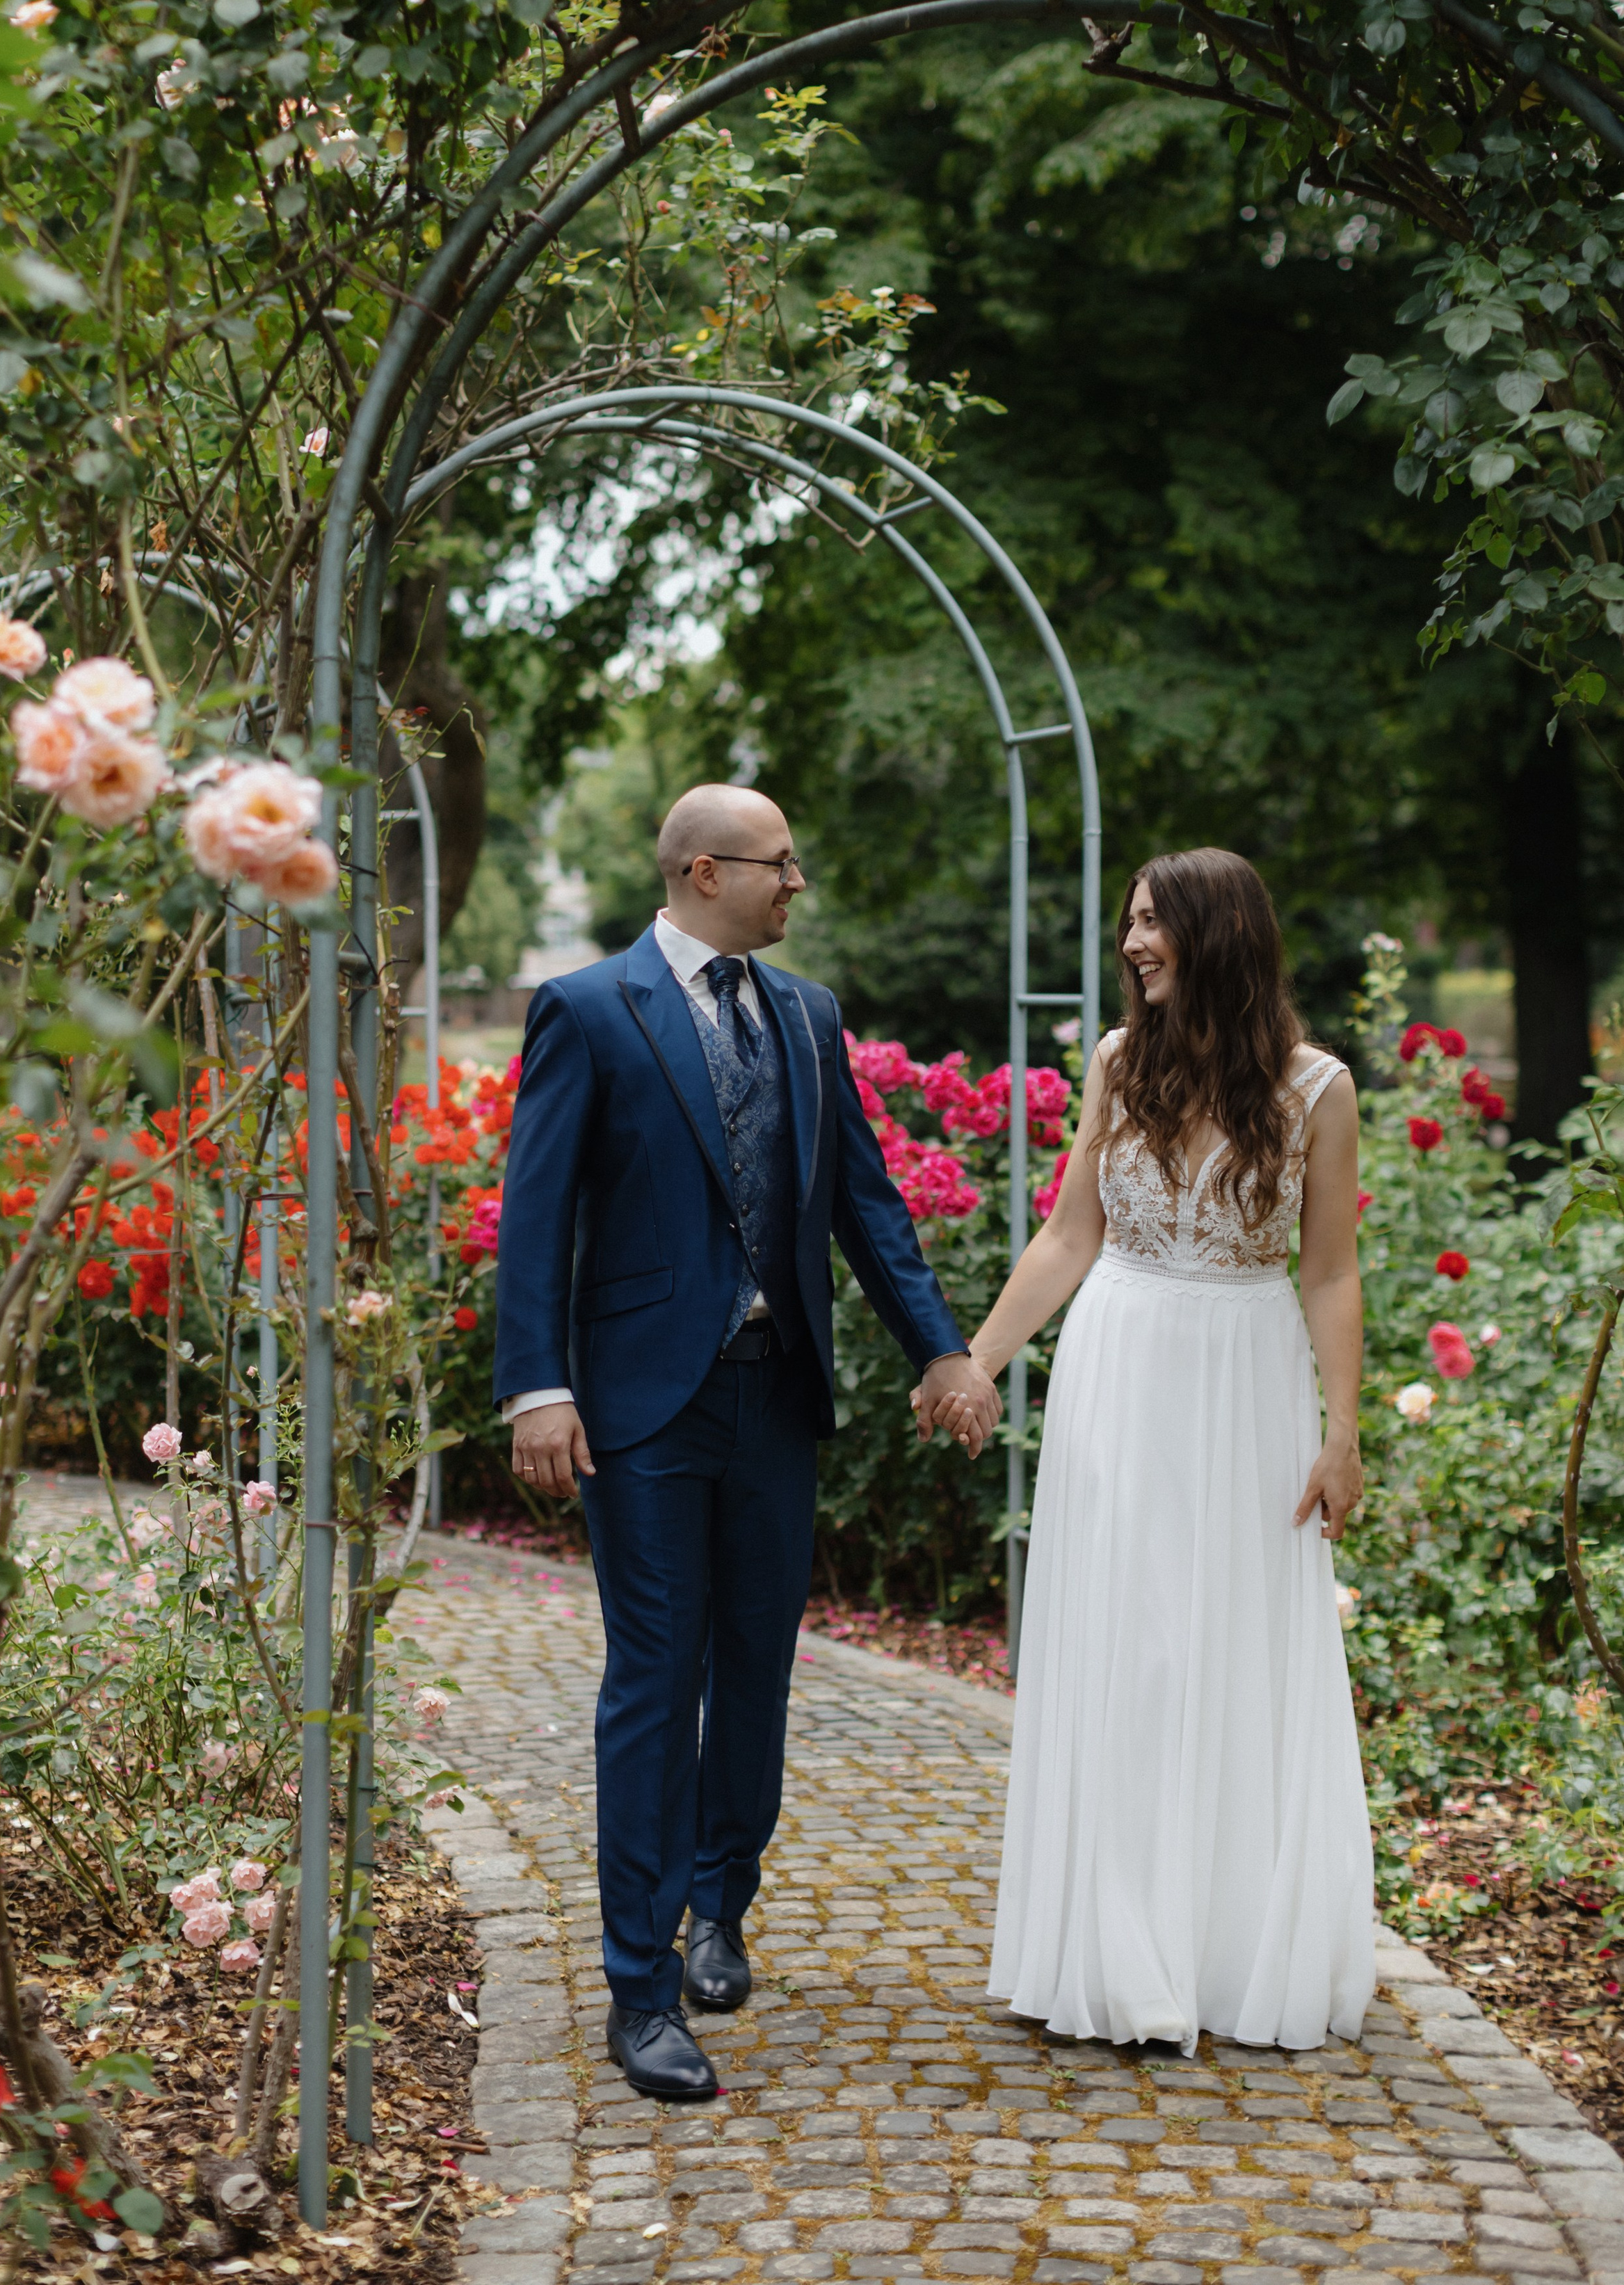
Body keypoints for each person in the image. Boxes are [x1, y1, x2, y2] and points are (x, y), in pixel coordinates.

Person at [494, 783, 1000, 2099]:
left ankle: (721, 1902)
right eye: (781, 862)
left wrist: (942, 1347)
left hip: (777, 1397)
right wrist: (537, 1385)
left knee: (758, 1669)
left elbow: (865, 1202)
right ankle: (640, 1983)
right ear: (705, 870)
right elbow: (536, 1215)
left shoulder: (809, 1014)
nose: (797, 883)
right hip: (642, 1407)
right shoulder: (587, 1009)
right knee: (657, 1678)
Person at [968, 847, 1374, 2053]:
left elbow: (1331, 1271)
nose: (1134, 943)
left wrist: (1342, 1432)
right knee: (1128, 1645)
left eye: (1155, 923)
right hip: (1120, 1365)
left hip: (1247, 1381)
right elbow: (1068, 1234)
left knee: (1227, 1641)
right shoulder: (1117, 1062)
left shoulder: (1319, 1089)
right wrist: (977, 1362)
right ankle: (1115, 1951)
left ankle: (1222, 1949)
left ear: (1221, 934)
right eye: (1131, 923)